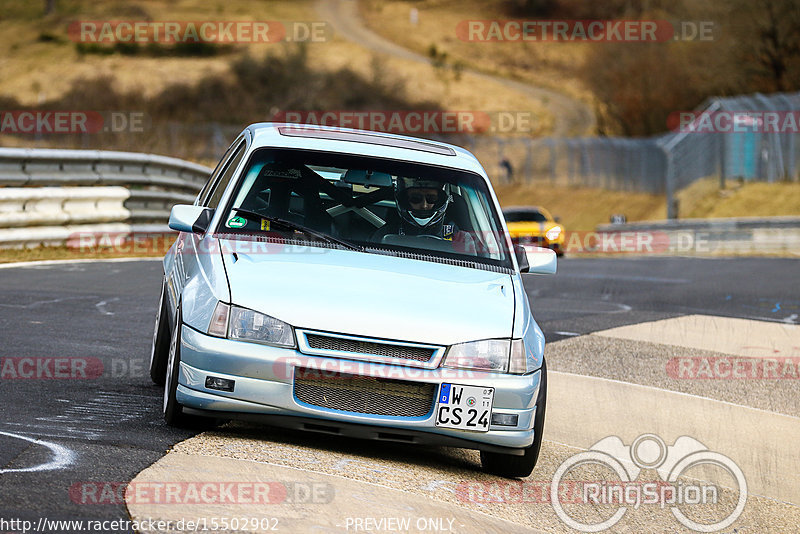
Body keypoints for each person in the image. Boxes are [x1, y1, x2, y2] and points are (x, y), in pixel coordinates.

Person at [373, 177, 476, 253]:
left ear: (440, 200)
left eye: (431, 199)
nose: (424, 205)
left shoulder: (459, 237)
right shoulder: (384, 234)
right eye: (416, 199)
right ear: (405, 200)